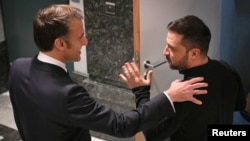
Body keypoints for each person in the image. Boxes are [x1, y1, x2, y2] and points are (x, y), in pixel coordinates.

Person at [8, 5, 208, 141]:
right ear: (60, 43)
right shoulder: (67, 93)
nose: (85, 42)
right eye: (81, 36)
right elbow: (121, 126)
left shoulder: (18, 67)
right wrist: (168, 97)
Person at [129, 15, 246, 141]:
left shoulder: (185, 93)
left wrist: (141, 92)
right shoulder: (227, 70)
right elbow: (240, 105)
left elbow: (152, 134)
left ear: (194, 53)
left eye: (171, 48)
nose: (165, 52)